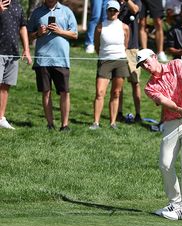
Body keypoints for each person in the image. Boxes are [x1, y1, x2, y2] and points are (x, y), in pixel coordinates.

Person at [137, 48, 182, 221]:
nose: (145, 66)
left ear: (154, 57)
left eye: (146, 61)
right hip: (172, 121)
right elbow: (164, 101)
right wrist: (179, 109)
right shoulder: (149, 87)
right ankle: (175, 202)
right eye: (142, 65)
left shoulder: (176, 64)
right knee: (165, 164)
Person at [28, 0, 78, 131]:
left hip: (61, 60)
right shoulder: (37, 13)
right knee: (46, 92)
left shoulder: (67, 11)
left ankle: (64, 125)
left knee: (64, 92)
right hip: (42, 59)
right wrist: (38, 33)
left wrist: (59, 31)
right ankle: (50, 124)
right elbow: (28, 36)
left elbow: (74, 34)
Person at [89, 0, 130, 129]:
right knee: (100, 92)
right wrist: (103, 55)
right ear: (106, 11)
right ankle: (96, 122)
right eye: (110, 10)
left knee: (116, 93)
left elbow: (126, 45)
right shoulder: (100, 26)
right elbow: (97, 46)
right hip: (104, 61)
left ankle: (113, 123)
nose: (112, 12)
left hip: (120, 61)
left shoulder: (124, 27)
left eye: (115, 10)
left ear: (118, 12)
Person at [0, 0, 32, 130]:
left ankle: (1, 117)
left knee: (6, 86)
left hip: (13, 52)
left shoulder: (17, 5)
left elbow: (22, 27)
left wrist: (26, 49)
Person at [117, 0, 143, 123]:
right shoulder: (115, 3)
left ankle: (138, 114)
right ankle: (118, 112)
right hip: (118, 48)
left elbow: (135, 9)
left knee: (135, 82)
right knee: (118, 82)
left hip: (132, 48)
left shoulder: (135, 1)